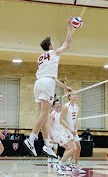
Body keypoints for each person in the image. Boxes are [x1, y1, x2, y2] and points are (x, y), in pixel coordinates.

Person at [23, 17, 74, 158]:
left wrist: (65, 86)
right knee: (44, 114)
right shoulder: (53, 53)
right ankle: (31, 139)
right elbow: (67, 43)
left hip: (39, 83)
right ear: (50, 46)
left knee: (44, 116)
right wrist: (70, 28)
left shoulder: (41, 57)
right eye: (52, 43)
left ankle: (47, 145)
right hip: (46, 84)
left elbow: (53, 77)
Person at [48, 99, 77, 175]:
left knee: (69, 148)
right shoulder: (52, 114)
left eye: (59, 104)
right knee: (69, 148)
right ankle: (60, 164)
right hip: (56, 134)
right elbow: (49, 125)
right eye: (57, 104)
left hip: (63, 133)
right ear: (54, 106)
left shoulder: (62, 114)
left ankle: (61, 163)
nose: (58, 105)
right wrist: (50, 135)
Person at [60, 92, 85, 174]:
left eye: (75, 94)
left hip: (73, 131)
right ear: (69, 97)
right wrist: (70, 129)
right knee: (73, 148)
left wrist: (75, 129)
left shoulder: (77, 107)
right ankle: (60, 164)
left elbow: (75, 120)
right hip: (67, 130)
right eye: (73, 94)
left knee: (78, 147)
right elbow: (61, 120)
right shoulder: (65, 106)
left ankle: (75, 166)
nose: (75, 95)